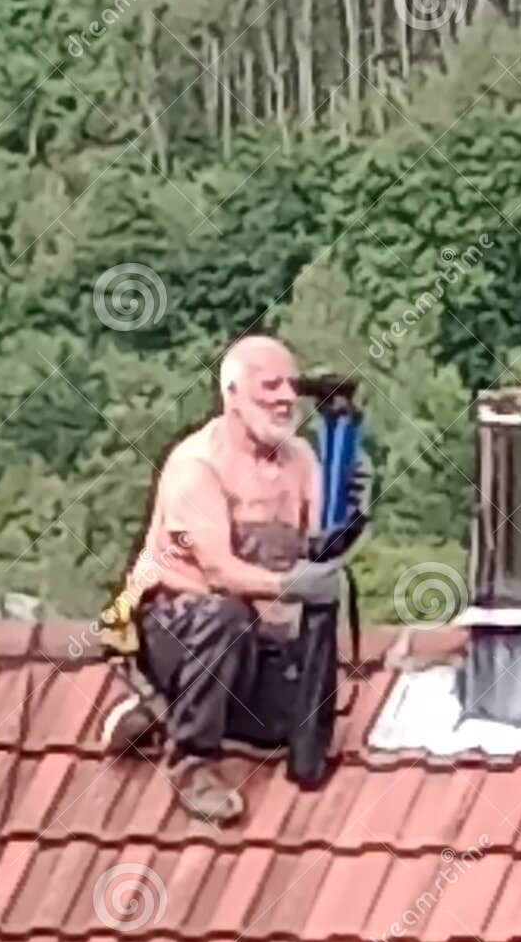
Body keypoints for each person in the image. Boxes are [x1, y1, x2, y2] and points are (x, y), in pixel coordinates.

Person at [102, 335, 345, 821]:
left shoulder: (301, 460)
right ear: (231, 394)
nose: (285, 398)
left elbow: (320, 548)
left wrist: (347, 518)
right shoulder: (196, 465)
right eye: (269, 386)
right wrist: (293, 587)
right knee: (224, 617)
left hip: (260, 633)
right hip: (179, 623)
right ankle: (192, 762)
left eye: (291, 386)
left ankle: (165, 709)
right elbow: (219, 572)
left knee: (290, 728)